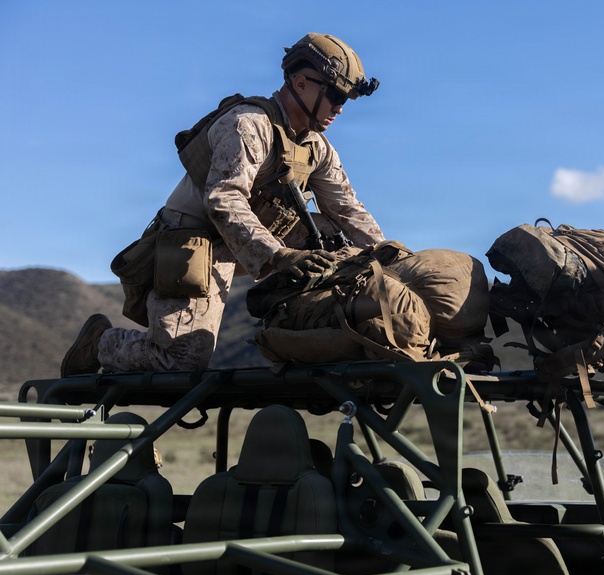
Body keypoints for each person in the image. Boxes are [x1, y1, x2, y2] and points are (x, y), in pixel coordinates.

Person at [61, 33, 385, 377]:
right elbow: (224, 199)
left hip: (253, 242)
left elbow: (348, 210)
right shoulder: (248, 124)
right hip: (194, 242)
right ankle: (101, 343)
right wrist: (279, 256)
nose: (339, 107)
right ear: (301, 82)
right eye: (334, 95)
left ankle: (314, 327)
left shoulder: (316, 148)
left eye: (345, 99)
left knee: (336, 240)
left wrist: (392, 259)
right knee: (180, 361)